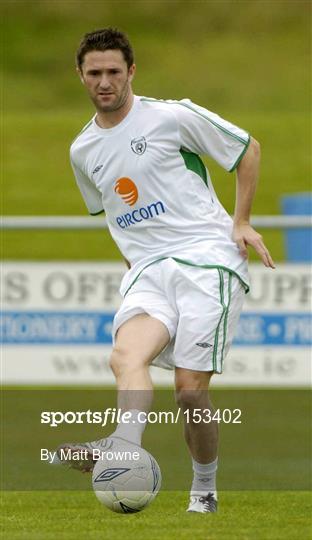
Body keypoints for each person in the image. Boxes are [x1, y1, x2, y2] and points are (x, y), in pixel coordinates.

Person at [55, 27, 275, 513]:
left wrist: (240, 222)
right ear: (81, 76)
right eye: (95, 73)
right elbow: (117, 215)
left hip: (207, 259)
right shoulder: (82, 151)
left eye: (114, 71)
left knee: (189, 394)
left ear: (132, 71)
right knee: (124, 356)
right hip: (148, 271)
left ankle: (204, 491)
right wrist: (135, 268)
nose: (105, 81)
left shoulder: (172, 116)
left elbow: (247, 149)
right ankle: (124, 447)